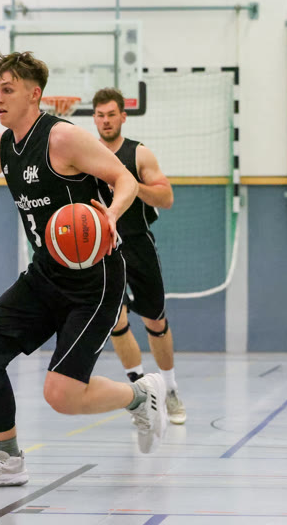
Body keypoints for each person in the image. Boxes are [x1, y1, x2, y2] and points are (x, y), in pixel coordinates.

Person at [0, 51, 168, 489]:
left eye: (7, 90)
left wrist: (111, 215)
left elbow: (124, 180)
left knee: (61, 395)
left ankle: (140, 394)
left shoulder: (63, 138)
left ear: (33, 94)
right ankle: (7, 459)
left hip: (94, 280)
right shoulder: (3, 145)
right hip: (45, 275)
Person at [93, 87, 186, 425]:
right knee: (116, 322)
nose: (106, 120)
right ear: (94, 118)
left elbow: (166, 198)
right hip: (105, 248)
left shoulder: (139, 153)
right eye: (100, 115)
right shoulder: (85, 154)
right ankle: (142, 395)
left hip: (138, 243)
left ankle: (170, 389)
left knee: (155, 322)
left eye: (111, 114)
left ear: (123, 117)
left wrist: (132, 185)